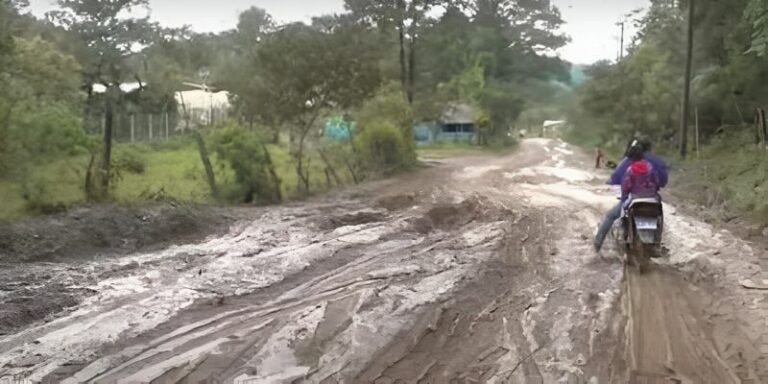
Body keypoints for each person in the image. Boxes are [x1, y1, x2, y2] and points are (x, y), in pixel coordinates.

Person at [594, 139, 668, 252]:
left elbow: (621, 181)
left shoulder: (630, 163)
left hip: (635, 198)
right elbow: (661, 182)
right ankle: (656, 243)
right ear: (650, 148)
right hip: (652, 199)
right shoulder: (655, 163)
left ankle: (597, 245)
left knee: (611, 216)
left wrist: (618, 188)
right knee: (658, 216)